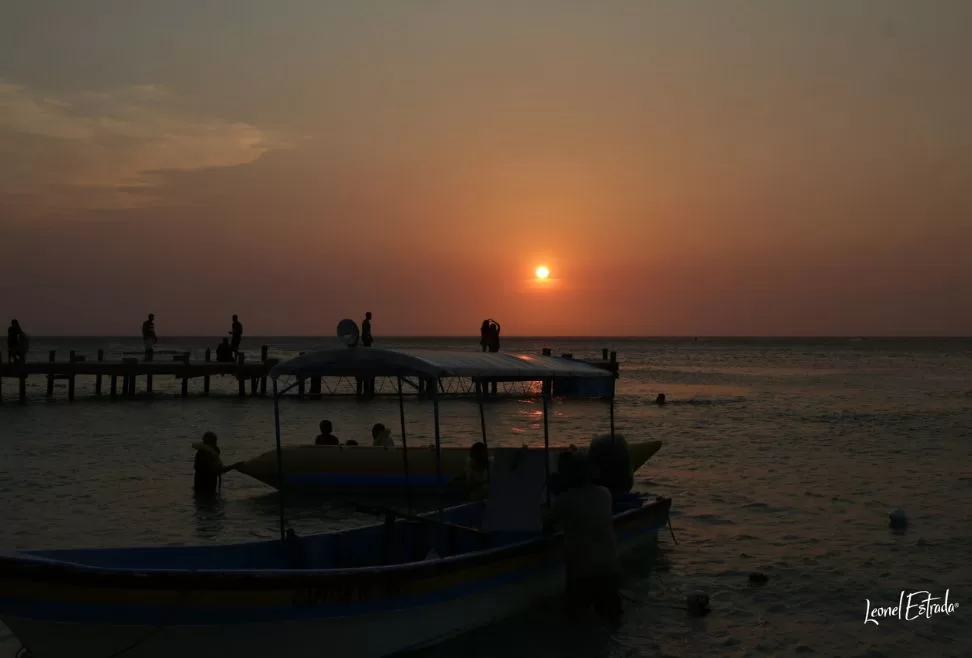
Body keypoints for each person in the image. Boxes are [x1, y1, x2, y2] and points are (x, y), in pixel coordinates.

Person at [546, 456, 621, 624]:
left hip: (582, 570)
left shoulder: (564, 500)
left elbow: (547, 523)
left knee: (578, 620)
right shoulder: (605, 493)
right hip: (609, 565)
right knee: (612, 619)